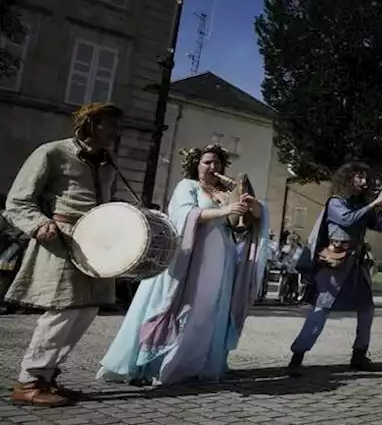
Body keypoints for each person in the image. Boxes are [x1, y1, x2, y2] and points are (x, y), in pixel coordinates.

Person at [98, 144, 269, 386]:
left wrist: (252, 206)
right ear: (196, 165)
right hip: (190, 257)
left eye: (217, 163)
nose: (213, 167)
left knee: (209, 310)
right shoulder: (187, 187)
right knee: (185, 306)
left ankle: (197, 364)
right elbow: (184, 215)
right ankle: (161, 363)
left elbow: (250, 222)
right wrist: (225, 211)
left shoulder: (225, 192)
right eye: (207, 162)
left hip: (222, 259)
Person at [4, 103, 124, 406]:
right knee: (63, 310)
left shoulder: (109, 162)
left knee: (87, 310)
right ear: (93, 124)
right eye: (110, 124)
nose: (115, 132)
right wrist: (38, 225)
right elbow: (18, 201)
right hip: (63, 240)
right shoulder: (53, 152)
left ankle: (47, 376)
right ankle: (28, 381)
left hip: (97, 247)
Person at [287, 162, 382, 376]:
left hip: (356, 266)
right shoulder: (336, 203)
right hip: (335, 266)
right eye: (359, 177)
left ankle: (359, 355)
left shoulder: (360, 205)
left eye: (366, 178)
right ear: (348, 179)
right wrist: (375, 203)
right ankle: (296, 358)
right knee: (320, 311)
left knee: (367, 310)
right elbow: (347, 220)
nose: (364, 182)